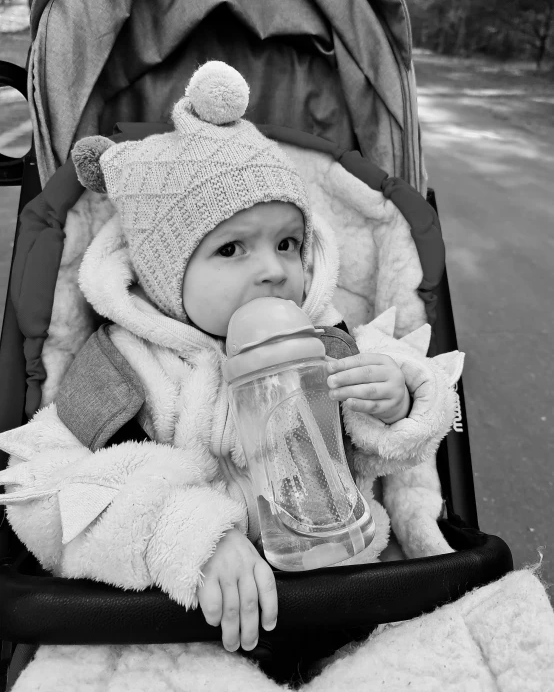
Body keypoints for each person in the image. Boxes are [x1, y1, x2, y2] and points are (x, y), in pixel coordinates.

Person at [0, 61, 461, 690]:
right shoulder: (124, 365)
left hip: (343, 594)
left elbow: (399, 442)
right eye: (231, 249)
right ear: (167, 275)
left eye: (288, 243)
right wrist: (185, 536)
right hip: (183, 619)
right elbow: (44, 489)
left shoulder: (326, 335)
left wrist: (398, 400)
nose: (273, 271)